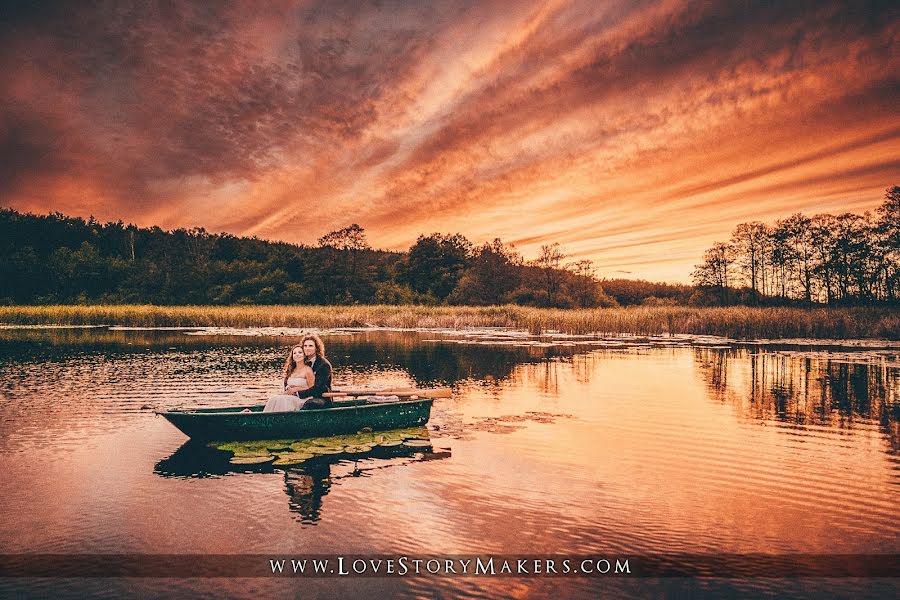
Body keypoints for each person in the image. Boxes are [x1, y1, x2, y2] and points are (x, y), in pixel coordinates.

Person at [262, 343, 316, 412]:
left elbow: (312, 388)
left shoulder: (308, 370)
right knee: (274, 398)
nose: (297, 354)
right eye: (295, 353)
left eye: (300, 352)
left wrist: (296, 389)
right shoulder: (292, 370)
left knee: (284, 400)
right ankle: (266, 418)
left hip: (303, 398)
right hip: (291, 397)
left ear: (304, 355)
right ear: (292, 357)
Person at [297, 334, 333, 409]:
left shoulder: (324, 365)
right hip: (303, 396)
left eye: (311, 346)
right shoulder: (301, 362)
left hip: (321, 398)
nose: (307, 348)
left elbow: (318, 388)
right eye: (305, 346)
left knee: (309, 404)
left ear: (316, 348)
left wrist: (298, 394)